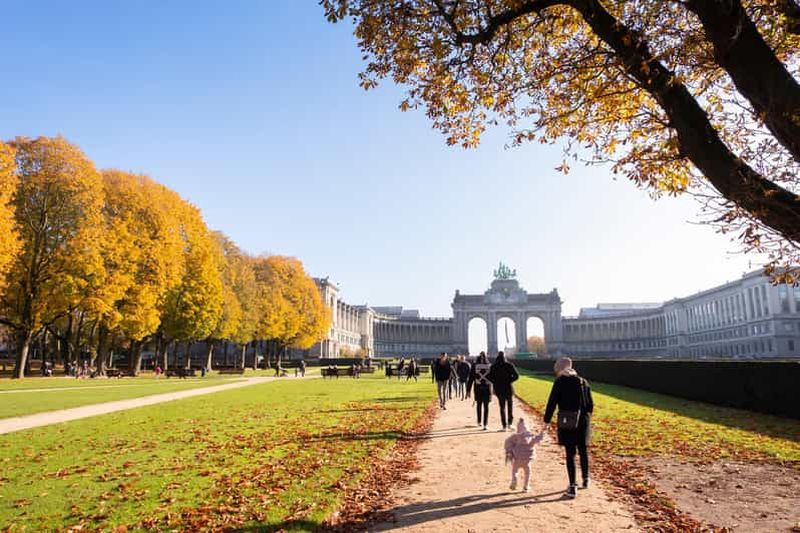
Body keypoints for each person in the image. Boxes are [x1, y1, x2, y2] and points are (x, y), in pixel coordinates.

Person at [544, 357, 594, 499]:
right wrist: (586, 417)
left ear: (560, 368)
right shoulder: (583, 382)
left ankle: (572, 486)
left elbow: (552, 402)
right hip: (583, 421)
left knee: (570, 453)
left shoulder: (560, 382)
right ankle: (585, 479)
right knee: (583, 451)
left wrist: (547, 420)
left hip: (567, 421)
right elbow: (590, 404)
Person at [504, 418, 545, 492]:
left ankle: (514, 480)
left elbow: (507, 442)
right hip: (527, 459)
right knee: (527, 472)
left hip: (517, 458)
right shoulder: (531, 437)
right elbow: (539, 438)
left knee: (515, 471)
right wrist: (543, 432)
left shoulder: (515, 437)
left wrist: (509, 451)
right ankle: (526, 486)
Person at [488, 351, 519, 431]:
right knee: (509, 406)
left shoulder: (494, 366)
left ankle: (504, 426)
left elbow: (488, 376)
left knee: (502, 407)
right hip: (508, 387)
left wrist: (495, 382)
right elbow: (516, 376)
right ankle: (510, 423)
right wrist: (509, 380)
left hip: (498, 388)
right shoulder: (509, 365)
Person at [467, 352, 492, 429]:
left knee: (482, 405)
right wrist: (468, 390)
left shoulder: (475, 366)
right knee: (482, 405)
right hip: (485, 388)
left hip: (480, 388)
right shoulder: (489, 366)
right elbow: (471, 378)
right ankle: (482, 423)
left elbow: (471, 379)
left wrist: (468, 390)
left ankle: (482, 422)